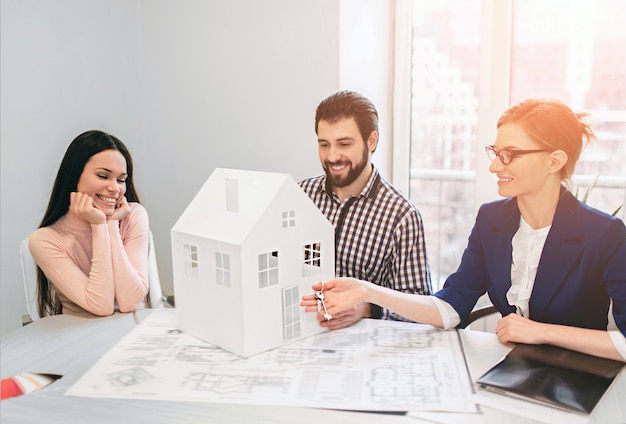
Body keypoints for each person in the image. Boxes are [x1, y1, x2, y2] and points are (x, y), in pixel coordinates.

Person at [302, 97, 626, 362]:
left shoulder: (605, 233)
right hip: (510, 369)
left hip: (580, 379)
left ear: (554, 161)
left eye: (509, 155)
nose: (494, 166)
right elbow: (450, 307)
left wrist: (540, 331)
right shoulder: (492, 220)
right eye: (495, 153)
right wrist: (368, 290)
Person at [299, 90, 432, 330]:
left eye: (344, 144)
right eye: (324, 144)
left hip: (361, 351)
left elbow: (419, 307)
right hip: (299, 334)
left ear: (371, 141)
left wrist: (367, 308)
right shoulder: (300, 196)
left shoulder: (401, 216)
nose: (332, 156)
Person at [30, 130, 150, 318]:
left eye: (121, 180)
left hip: (132, 330)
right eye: (103, 176)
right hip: (80, 334)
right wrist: (99, 225)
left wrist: (111, 225)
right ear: (74, 177)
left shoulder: (133, 215)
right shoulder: (45, 240)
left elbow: (130, 302)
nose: (115, 189)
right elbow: (101, 305)